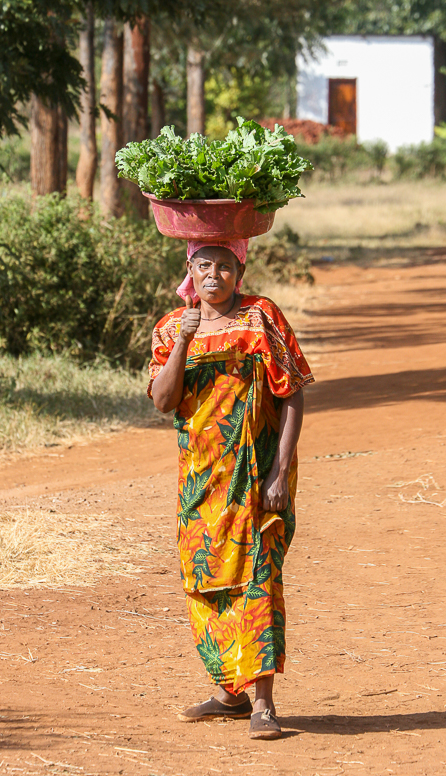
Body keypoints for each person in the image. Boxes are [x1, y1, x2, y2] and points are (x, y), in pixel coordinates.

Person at [148, 238, 314, 740]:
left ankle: (263, 703)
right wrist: (184, 339)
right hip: (201, 482)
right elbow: (162, 401)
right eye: (204, 265)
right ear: (190, 271)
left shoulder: (262, 317)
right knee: (205, 581)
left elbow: (292, 393)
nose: (214, 274)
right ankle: (229, 693)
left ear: (239, 270)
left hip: (257, 477)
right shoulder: (170, 328)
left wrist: (280, 472)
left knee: (258, 578)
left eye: (224, 265)